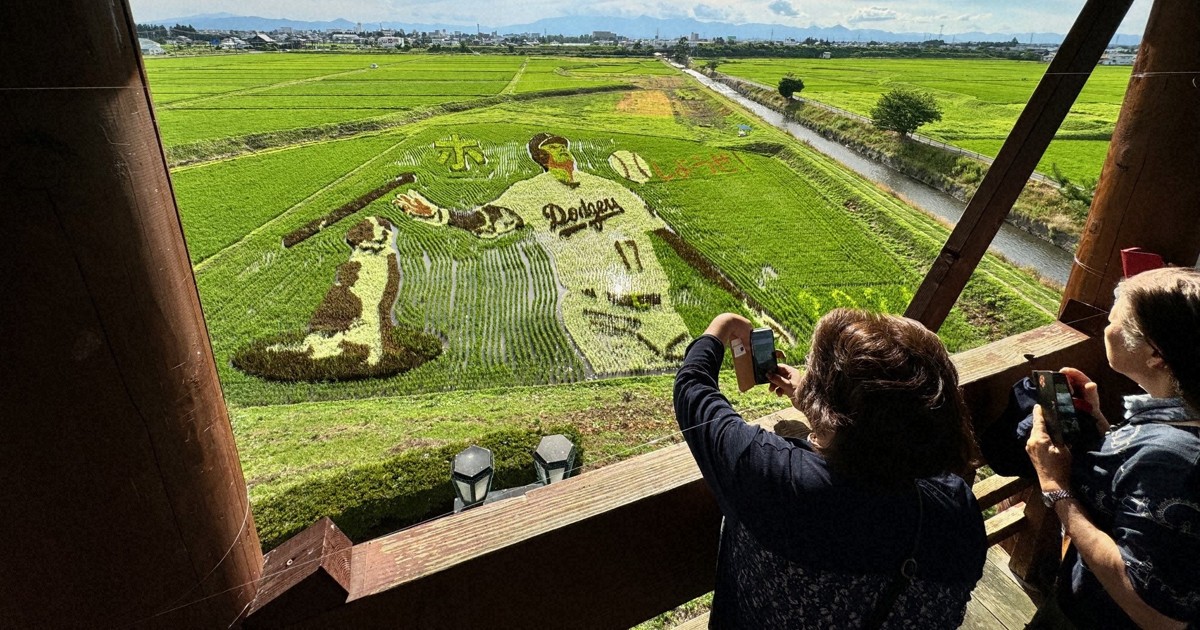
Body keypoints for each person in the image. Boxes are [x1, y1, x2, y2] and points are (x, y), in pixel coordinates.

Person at [674, 309, 986, 628]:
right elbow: (879, 438)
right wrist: (817, 401)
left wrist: (724, 325)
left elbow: (692, 389)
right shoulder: (957, 510)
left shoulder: (774, 476)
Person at [393, 133, 691, 373]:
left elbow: (666, 234)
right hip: (597, 312)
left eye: (563, 146)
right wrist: (439, 214)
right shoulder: (529, 192)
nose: (563, 151)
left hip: (657, 306)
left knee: (694, 382)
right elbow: (485, 221)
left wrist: (717, 277)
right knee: (626, 391)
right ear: (541, 158)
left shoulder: (607, 187)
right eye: (553, 148)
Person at [1022, 267, 1200, 628]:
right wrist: (1101, 423)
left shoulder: (1173, 460)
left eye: (1114, 318)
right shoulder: (1180, 418)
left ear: (1156, 355)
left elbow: (1156, 615)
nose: (1107, 326)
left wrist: (1055, 487)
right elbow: (1139, 490)